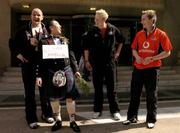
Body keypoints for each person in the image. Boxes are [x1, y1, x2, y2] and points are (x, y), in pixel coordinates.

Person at [122, 10, 173, 129]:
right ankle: (131, 117)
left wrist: (153, 58)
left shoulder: (161, 34)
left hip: (152, 69)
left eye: (144, 19)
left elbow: (167, 52)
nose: (141, 21)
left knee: (151, 95)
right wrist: (138, 57)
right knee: (135, 93)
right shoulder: (139, 34)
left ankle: (151, 120)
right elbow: (133, 49)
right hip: (138, 69)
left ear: (152, 20)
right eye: (142, 19)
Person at [36, 20, 81, 132]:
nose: (60, 27)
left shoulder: (64, 40)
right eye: (58, 25)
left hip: (67, 71)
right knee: (53, 98)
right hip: (51, 72)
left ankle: (72, 121)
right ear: (51, 28)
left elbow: (71, 56)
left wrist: (76, 70)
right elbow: (40, 60)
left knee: (70, 97)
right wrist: (39, 76)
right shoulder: (44, 41)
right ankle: (58, 121)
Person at [13, 8, 54, 129]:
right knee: (30, 93)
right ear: (31, 16)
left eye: (39, 15)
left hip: (43, 65)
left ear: (42, 17)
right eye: (34, 14)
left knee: (45, 92)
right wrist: (18, 54)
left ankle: (46, 114)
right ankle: (31, 118)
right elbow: (12, 43)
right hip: (28, 65)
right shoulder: (22, 30)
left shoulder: (47, 30)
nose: (36, 17)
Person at [83, 9, 124, 120]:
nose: (95, 20)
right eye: (95, 18)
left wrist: (117, 52)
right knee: (98, 88)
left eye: (97, 19)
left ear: (103, 19)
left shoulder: (113, 29)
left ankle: (115, 111)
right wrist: (86, 61)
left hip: (110, 63)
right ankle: (97, 110)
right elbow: (86, 47)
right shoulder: (92, 31)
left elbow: (121, 41)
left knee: (112, 88)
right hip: (96, 63)